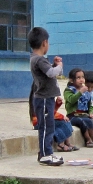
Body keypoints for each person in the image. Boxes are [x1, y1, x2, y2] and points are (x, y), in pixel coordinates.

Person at [28, 26, 64, 166]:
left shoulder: (37, 59)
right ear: (44, 43)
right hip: (43, 98)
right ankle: (44, 154)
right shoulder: (39, 60)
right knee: (44, 127)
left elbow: (48, 72)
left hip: (46, 98)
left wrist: (54, 64)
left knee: (50, 125)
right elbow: (51, 73)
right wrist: (59, 66)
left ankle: (47, 152)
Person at [64, 68, 93, 148]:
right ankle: (88, 139)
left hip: (84, 114)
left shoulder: (86, 92)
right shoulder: (69, 91)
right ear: (71, 80)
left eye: (83, 77)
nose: (81, 80)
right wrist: (80, 92)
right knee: (81, 122)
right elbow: (71, 100)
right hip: (73, 115)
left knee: (90, 121)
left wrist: (90, 112)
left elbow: (90, 104)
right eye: (78, 78)